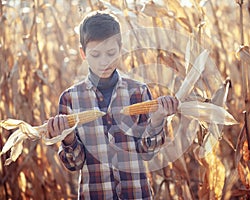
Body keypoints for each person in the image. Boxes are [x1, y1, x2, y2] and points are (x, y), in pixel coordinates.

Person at [47, 10, 178, 199]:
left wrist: (157, 121)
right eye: (95, 54)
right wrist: (67, 138)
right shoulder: (70, 99)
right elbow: (74, 165)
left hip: (136, 194)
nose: (104, 62)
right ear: (83, 54)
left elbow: (148, 153)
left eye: (110, 53)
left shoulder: (138, 92)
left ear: (121, 49)